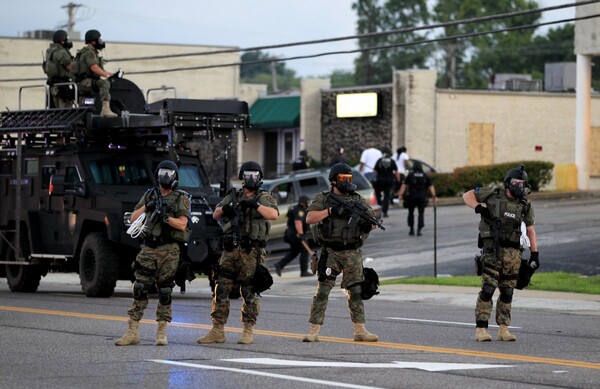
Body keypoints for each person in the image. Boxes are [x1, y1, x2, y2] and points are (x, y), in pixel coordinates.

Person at [197, 161, 279, 345]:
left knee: (249, 290)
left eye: (255, 175)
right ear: (242, 176)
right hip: (230, 249)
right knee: (222, 287)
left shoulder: (263, 197)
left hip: (252, 251)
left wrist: (254, 205)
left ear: (260, 177)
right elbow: (215, 214)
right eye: (248, 174)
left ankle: (248, 330)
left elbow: (273, 214)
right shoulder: (234, 195)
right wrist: (225, 209)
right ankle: (217, 330)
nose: (251, 179)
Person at [115, 160, 191, 346]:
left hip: (169, 249)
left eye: (169, 173)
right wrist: (148, 207)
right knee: (140, 287)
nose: (166, 177)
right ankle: (132, 331)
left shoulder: (180, 198)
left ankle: (161, 333)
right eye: (163, 173)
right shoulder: (150, 195)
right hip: (149, 248)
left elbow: (182, 224)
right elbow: (133, 218)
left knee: (165, 290)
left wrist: (165, 218)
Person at [302, 163, 379, 343]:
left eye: (349, 179)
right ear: (334, 181)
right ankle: (313, 330)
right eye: (343, 179)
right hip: (331, 252)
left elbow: (373, 220)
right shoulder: (324, 199)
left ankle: (360, 330)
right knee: (323, 291)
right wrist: (330, 211)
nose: (347, 182)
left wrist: (368, 224)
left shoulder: (357, 200)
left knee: (356, 292)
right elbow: (309, 218)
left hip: (352, 252)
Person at [462, 164, 539, 342]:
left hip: (513, 253)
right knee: (488, 289)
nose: (519, 186)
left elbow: (530, 229)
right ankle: (481, 329)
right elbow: (467, 195)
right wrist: (478, 207)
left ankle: (503, 329)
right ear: (508, 183)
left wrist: (535, 253)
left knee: (507, 291)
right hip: (492, 251)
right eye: (516, 182)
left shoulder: (524, 205)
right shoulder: (494, 194)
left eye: (522, 183)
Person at [75, 29, 118, 117]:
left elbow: (100, 69)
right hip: (84, 82)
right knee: (104, 83)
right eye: (99, 39)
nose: (101, 42)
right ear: (93, 41)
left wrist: (112, 75)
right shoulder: (90, 52)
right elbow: (94, 68)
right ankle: (105, 110)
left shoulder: (90, 52)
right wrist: (107, 76)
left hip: (85, 82)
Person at [274, 195, 312, 277]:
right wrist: (301, 234)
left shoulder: (295, 208)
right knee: (304, 250)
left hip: (290, 233)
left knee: (295, 251)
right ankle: (304, 271)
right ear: (302, 203)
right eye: (307, 203)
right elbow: (298, 222)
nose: (308, 204)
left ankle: (279, 265)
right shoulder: (300, 211)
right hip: (296, 234)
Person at [398, 161, 436, 236]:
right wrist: (434, 195)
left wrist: (400, 195)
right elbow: (430, 186)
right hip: (422, 197)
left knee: (411, 213)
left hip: (412, 196)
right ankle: (419, 230)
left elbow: (404, 185)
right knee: (421, 213)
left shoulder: (410, 175)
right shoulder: (425, 175)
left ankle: (411, 229)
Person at [43, 30, 77, 108]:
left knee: (56, 112)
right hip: (62, 87)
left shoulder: (49, 51)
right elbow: (70, 67)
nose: (68, 41)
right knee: (66, 112)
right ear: (62, 41)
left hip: (53, 86)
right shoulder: (61, 52)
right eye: (66, 40)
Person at [374, 147, 400, 218]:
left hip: (380, 180)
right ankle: (385, 212)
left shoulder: (379, 160)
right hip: (389, 180)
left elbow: (375, 170)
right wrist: (398, 180)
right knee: (387, 196)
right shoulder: (392, 161)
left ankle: (379, 208)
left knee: (378, 195)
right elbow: (396, 171)